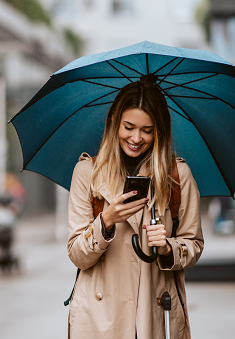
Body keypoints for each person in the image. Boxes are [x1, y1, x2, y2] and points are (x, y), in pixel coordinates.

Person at [67, 81, 204, 338]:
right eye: (128, 127)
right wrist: (105, 221)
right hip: (98, 321)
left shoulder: (177, 175)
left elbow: (194, 244)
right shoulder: (87, 173)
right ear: (114, 123)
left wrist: (167, 247)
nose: (136, 138)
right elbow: (76, 254)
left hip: (152, 317)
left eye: (147, 130)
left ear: (159, 131)